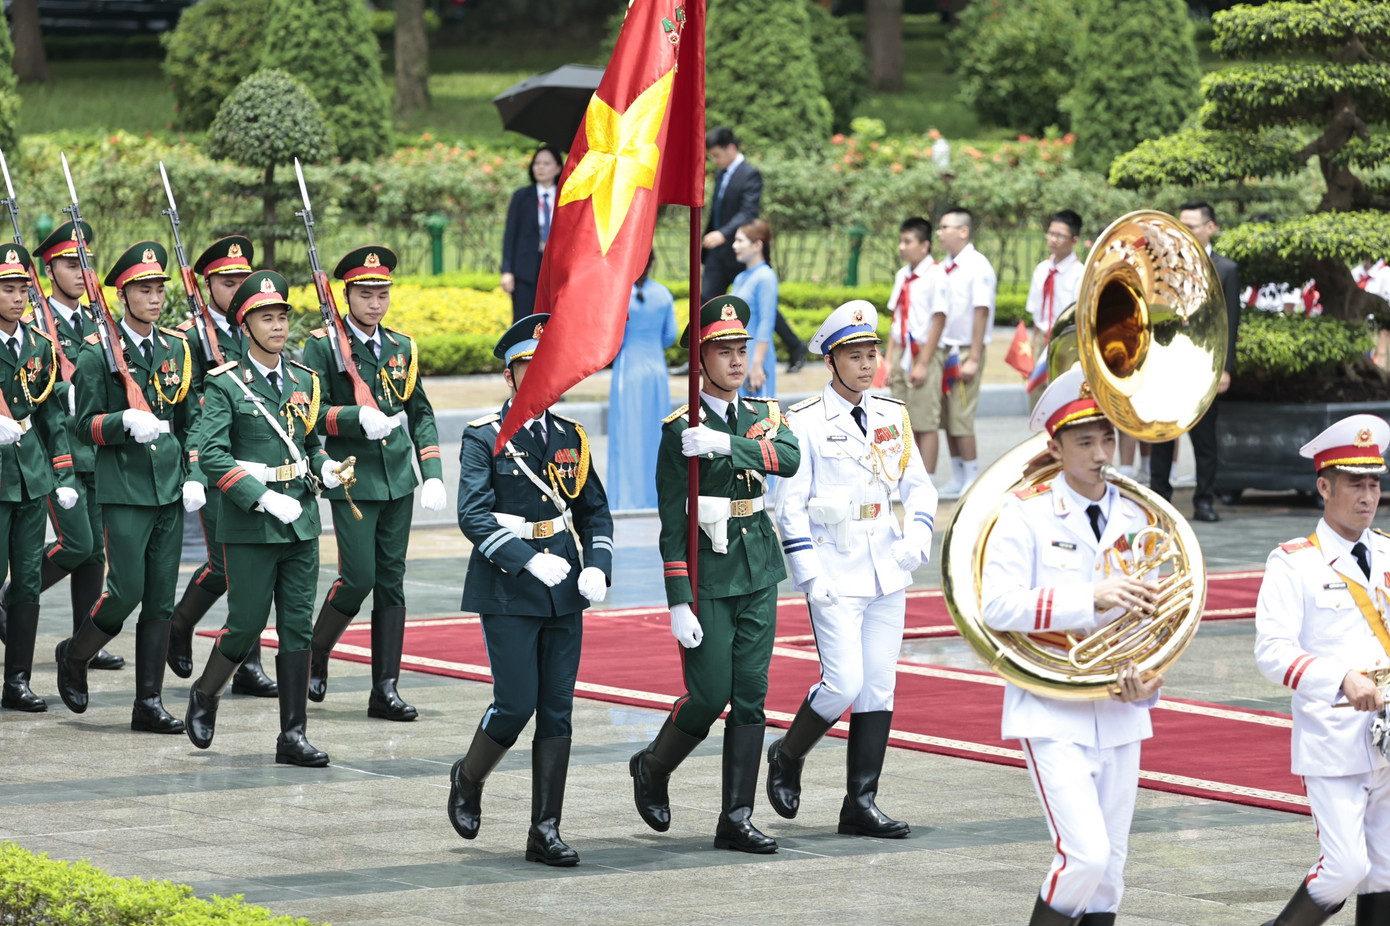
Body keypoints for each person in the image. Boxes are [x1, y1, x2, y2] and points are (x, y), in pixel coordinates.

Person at [980, 364, 1164, 925]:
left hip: (1119, 708)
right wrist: (1089, 596)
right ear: (1056, 448)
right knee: (1084, 856)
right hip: (1051, 706)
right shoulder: (1025, 513)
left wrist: (1150, 674)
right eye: (1084, 440)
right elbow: (996, 605)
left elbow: (1156, 614)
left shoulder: (1141, 514)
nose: (1100, 450)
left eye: (1107, 436)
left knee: (1110, 876)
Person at [629, 295, 800, 854]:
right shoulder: (679, 429)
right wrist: (678, 597)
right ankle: (653, 766)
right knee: (708, 695)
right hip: (707, 573)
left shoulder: (764, 415)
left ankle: (737, 816)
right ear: (699, 359)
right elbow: (671, 519)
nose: (734, 360)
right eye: (722, 350)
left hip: (758, 569)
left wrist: (726, 443)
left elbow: (791, 459)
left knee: (751, 693)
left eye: (740, 349)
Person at [449, 313, 613, 866]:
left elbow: (595, 513)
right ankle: (469, 776)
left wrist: (598, 566)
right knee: (516, 703)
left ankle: (545, 829)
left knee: (558, 709)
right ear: (510, 375)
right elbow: (472, 515)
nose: (538, 377)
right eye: (527, 367)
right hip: (508, 586)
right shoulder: (483, 437)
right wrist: (523, 560)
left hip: (564, 586)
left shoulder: (571, 438)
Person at [769, 300, 937, 836]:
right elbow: (789, 505)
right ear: (831, 359)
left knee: (878, 687)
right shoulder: (804, 422)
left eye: (872, 355)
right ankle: (788, 754)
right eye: (855, 356)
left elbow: (920, 487)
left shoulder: (893, 414)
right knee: (842, 684)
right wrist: (809, 575)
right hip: (834, 569)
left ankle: (859, 803)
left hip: (887, 565)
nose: (867, 365)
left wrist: (919, 533)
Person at [183, 270, 341, 767]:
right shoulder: (227, 384)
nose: (277, 326)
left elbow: (310, 443)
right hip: (253, 524)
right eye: (265, 318)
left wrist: (327, 467)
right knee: (246, 624)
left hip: (301, 522)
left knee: (297, 627)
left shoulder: (303, 380)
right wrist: (261, 497)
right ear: (244, 325)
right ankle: (206, 693)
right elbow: (212, 455)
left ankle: (292, 736)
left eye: (281, 317)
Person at [55, 241, 197, 735]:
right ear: (123, 294)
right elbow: (84, 426)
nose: (155, 298)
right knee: (126, 590)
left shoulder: (177, 348)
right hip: (125, 487)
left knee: (160, 597)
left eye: (160, 289)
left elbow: (189, 417)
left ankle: (148, 702)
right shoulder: (98, 353)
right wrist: (122, 423)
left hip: (169, 488)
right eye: (144, 289)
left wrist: (194, 473)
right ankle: (75, 653)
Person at [1254, 414, 1390, 926]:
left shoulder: (1386, 551)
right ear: (1323, 486)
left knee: (1385, 869)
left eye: (1374, 483)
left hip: (1386, 737)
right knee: (1345, 866)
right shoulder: (1293, 563)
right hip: (1334, 740)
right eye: (1355, 483)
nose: (1367, 495)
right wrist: (1338, 677)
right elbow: (1272, 651)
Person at [302, 246, 447, 722]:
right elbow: (309, 414)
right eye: (365, 295)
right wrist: (353, 418)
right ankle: (315, 650)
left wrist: (433, 474)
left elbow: (419, 410)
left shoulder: (402, 345)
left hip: (397, 480)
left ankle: (385, 688)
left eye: (382, 294)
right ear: (347, 295)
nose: (375, 303)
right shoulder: (323, 345)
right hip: (352, 479)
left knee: (392, 582)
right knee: (358, 577)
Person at [0, 221, 122, 674]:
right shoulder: (32, 324)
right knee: (76, 543)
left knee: (94, 553)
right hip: (55, 453)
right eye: (72, 265)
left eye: (86, 264)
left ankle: (85, 640)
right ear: (50, 271)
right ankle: (10, 598)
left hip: (96, 448)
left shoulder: (98, 322)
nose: (82, 274)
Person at [165, 235, 278, 699]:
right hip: (212, 460)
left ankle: (208, 637)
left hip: (256, 461)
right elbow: (183, 402)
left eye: (242, 281)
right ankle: (186, 625)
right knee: (230, 564)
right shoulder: (190, 336)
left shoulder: (252, 326)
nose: (236, 289)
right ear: (207, 284)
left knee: (238, 565)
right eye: (227, 282)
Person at [0, 244, 78, 712]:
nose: (16, 298)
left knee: (28, 581)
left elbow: (50, 417)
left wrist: (63, 473)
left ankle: (18, 680)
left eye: (22, 289)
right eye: (7, 290)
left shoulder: (38, 345)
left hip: (30, 473)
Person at [1148, 200, 1240, 522]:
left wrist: (1225, 368)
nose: (1186, 230)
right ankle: (1159, 500)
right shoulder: (1164, 264)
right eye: (1181, 224)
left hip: (1204, 366)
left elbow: (1230, 320)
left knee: (1205, 441)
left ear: (1211, 227)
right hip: (1168, 365)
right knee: (1161, 436)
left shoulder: (1226, 269)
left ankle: (1204, 501)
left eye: (1193, 224)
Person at [701, 127, 805, 371]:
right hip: (719, 253)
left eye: (716, 155)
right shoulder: (721, 174)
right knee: (707, 301)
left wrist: (724, 234)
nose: (714, 161)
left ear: (731, 149)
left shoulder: (750, 175)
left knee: (757, 302)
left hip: (740, 251)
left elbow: (748, 213)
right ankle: (701, 356)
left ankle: (794, 345)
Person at [930, 206, 997, 498]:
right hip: (946, 347)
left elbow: (981, 312)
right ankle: (958, 475)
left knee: (961, 415)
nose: (940, 233)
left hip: (966, 348)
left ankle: (972, 475)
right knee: (946, 415)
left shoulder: (977, 266)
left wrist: (974, 357)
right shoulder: (944, 265)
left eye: (945, 227)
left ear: (963, 231)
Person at [607, 252, 677, 511]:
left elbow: (613, 338)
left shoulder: (619, 294)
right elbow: (670, 336)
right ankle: (654, 496)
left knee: (626, 435)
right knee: (656, 435)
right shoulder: (664, 294)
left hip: (629, 371)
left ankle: (626, 499)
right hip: (656, 370)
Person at [886, 217, 941, 473]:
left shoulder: (936, 275)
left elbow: (939, 320)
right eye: (900, 241)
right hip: (901, 350)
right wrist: (887, 360)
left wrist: (923, 363)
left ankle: (926, 478)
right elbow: (895, 317)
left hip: (923, 352)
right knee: (901, 417)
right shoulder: (902, 275)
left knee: (925, 420)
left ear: (925, 245)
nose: (901, 247)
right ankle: (904, 474)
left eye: (908, 241)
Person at [1025, 210, 1084, 407]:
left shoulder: (1079, 273)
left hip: (1066, 340)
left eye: (1060, 235)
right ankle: (1040, 436)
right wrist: (1034, 343)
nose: (1053, 239)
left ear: (1074, 239)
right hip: (1043, 337)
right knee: (1038, 392)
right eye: (1050, 233)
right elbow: (1036, 312)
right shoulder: (1042, 269)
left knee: (1063, 392)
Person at [501, 146, 562, 323]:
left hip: (555, 266)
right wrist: (507, 270)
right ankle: (524, 352)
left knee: (554, 320)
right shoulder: (521, 196)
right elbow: (510, 234)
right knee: (523, 321)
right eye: (537, 163)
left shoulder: (565, 195)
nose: (540, 167)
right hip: (526, 268)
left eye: (546, 163)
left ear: (558, 168)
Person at [731, 219, 778, 398]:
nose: (735, 245)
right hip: (740, 356)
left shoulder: (765, 277)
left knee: (759, 419)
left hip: (756, 356)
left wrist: (757, 364)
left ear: (757, 245)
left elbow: (767, 322)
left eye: (740, 241)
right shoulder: (741, 278)